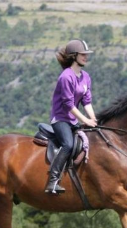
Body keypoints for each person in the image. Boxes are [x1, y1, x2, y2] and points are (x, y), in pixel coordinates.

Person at [45, 39, 98, 194]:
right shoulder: (66, 77)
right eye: (83, 54)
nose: (86, 57)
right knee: (67, 144)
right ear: (74, 56)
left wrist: (94, 119)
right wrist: (85, 120)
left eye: (86, 55)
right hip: (61, 119)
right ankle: (53, 181)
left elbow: (87, 101)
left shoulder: (86, 77)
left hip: (74, 120)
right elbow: (69, 105)